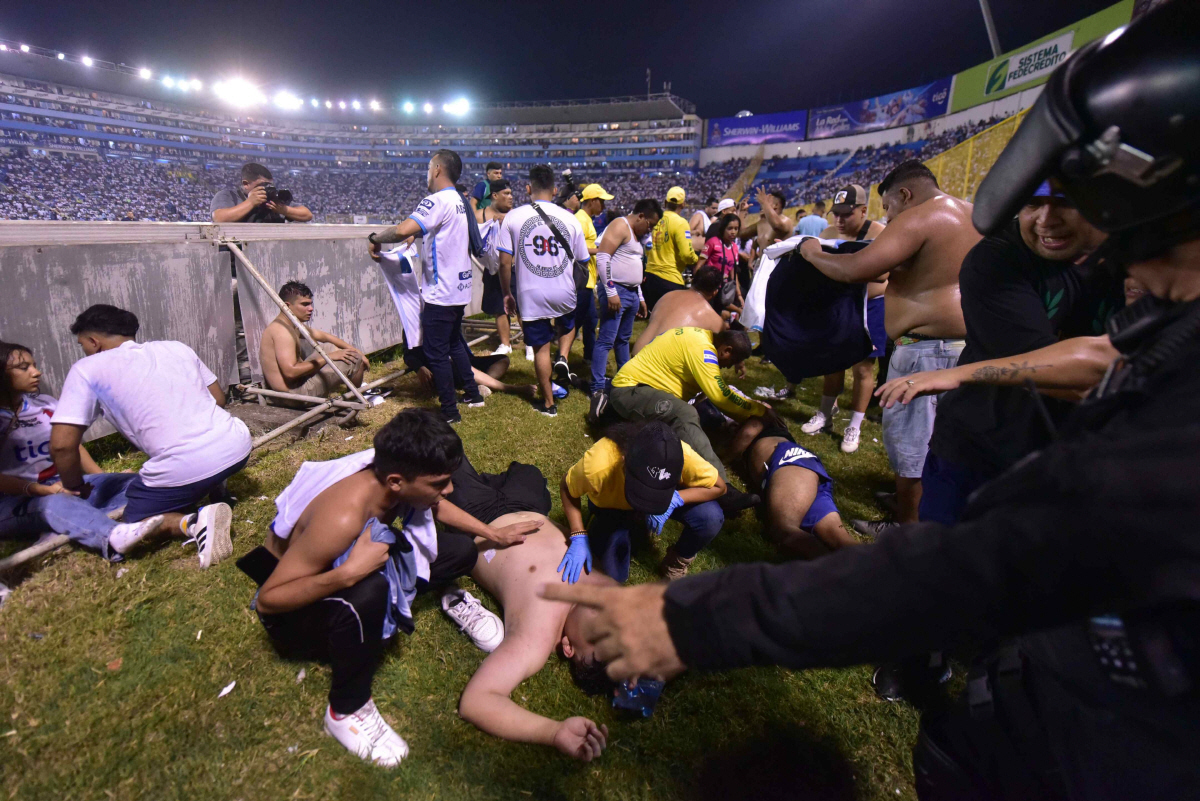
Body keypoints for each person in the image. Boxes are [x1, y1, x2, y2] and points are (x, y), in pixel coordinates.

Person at [542, 10, 1200, 798]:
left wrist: (693, 617)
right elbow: (1105, 369)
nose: (1058, 223)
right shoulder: (1139, 325)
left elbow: (978, 565)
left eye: (1078, 199)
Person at [244, 409, 541, 768]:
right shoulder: (343, 517)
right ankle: (345, 710)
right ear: (397, 483)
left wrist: (492, 533)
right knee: (370, 591)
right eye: (439, 483)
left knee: (462, 550)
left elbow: (437, 506)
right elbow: (269, 600)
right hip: (293, 614)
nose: (448, 490)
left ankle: (438, 597)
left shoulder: (393, 474)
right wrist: (347, 574)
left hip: (349, 564)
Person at [875, 179, 1119, 527]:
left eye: (1066, 201)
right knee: (945, 553)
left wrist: (960, 374)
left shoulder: (1146, 257)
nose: (1045, 219)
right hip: (982, 448)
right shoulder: (997, 256)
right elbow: (1063, 375)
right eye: (1032, 203)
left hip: (1080, 460)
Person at [798, 161, 979, 527]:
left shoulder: (920, 217)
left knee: (913, 447)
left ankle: (904, 529)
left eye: (889, 206)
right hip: (964, 347)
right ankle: (922, 510)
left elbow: (855, 270)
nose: (889, 216)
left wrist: (811, 252)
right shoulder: (972, 213)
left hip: (926, 350)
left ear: (905, 194)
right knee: (945, 442)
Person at [48, 305, 250, 568]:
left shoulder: (87, 369)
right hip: (237, 445)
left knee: (137, 521)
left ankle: (194, 523)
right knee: (193, 445)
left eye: (82, 344)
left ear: (93, 342)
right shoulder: (176, 348)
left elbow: (62, 446)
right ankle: (216, 486)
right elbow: (218, 399)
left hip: (187, 466)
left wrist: (74, 486)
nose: (83, 350)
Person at [0, 342, 183, 562]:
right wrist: (44, 491)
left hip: (59, 485)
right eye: (24, 367)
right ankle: (112, 535)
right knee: (53, 505)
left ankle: (70, 524)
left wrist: (103, 479)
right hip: (15, 500)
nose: (36, 372)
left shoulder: (45, 405)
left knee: (135, 483)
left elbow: (72, 446)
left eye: (34, 365)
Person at [457, 512, 611, 761]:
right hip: (531, 502)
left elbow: (476, 701)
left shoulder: (537, 635)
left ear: (568, 647)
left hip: (479, 517)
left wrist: (554, 732)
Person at [367, 149, 484, 425]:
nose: (427, 174)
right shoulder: (459, 200)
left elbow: (401, 230)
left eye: (429, 168)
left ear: (437, 170)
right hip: (459, 289)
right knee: (454, 343)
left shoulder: (436, 200)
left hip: (440, 292)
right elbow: (439, 231)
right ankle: (473, 394)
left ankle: (450, 411)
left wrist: (374, 238)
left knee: (436, 352)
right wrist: (417, 235)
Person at [607, 327, 769, 501]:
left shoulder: (700, 335)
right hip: (630, 391)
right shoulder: (703, 350)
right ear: (726, 350)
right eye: (732, 361)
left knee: (685, 418)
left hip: (642, 389)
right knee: (684, 413)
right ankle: (724, 489)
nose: (728, 366)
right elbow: (720, 396)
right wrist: (759, 410)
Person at [560, 421, 726, 582]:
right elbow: (566, 487)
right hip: (613, 507)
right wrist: (578, 533)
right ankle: (619, 527)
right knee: (613, 577)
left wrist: (676, 498)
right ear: (624, 461)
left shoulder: (679, 455)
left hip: (663, 497)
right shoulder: (599, 465)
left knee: (710, 517)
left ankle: (676, 562)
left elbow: (720, 487)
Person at [374, 240, 536, 401]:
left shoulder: (445, 313)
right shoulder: (414, 322)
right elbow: (408, 355)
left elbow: (456, 344)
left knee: (502, 359)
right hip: (442, 366)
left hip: (461, 361)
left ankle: (484, 384)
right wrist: (420, 368)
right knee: (464, 367)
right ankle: (509, 388)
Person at [801, 185, 889, 454]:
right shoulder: (827, 234)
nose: (839, 220)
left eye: (846, 214)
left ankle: (855, 425)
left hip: (871, 306)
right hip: (840, 306)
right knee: (833, 361)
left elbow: (886, 277)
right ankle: (825, 413)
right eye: (836, 213)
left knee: (863, 369)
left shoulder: (880, 234)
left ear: (863, 211)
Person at [497, 165, 590, 417]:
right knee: (568, 325)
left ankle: (549, 404)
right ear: (555, 190)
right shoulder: (571, 218)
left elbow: (504, 263)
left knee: (540, 348)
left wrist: (507, 293)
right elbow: (583, 259)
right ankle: (563, 356)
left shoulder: (513, 217)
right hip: (564, 291)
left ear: (528, 188)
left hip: (531, 293)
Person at [724, 415, 858, 558]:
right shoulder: (774, 427)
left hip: (790, 462)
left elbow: (750, 430)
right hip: (803, 466)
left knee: (784, 530)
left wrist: (724, 459)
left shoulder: (760, 416)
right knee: (839, 538)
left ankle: (832, 569)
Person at [586, 200, 661, 420]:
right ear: (640, 216)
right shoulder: (620, 225)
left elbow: (633, 265)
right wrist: (611, 291)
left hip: (631, 292)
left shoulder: (636, 235)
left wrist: (640, 297)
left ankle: (624, 381)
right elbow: (603, 257)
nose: (649, 229)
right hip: (617, 290)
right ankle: (597, 387)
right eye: (649, 224)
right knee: (606, 340)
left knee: (623, 340)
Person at [259, 281, 367, 404]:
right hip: (293, 396)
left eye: (310, 304)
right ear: (287, 306)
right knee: (355, 359)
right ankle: (354, 403)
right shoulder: (282, 332)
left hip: (292, 387)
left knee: (331, 347)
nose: (311, 308)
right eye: (305, 304)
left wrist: (357, 350)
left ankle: (352, 396)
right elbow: (290, 372)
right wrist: (329, 358)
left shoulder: (290, 324)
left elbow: (324, 336)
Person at [553, 183, 612, 384]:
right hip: (581, 280)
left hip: (587, 280)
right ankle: (561, 359)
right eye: (601, 201)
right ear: (593, 201)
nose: (604, 205)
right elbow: (576, 249)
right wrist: (603, 249)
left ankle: (586, 356)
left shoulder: (585, 219)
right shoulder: (580, 219)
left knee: (589, 320)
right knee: (575, 322)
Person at [632, 265, 726, 356]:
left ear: (692, 281)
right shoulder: (716, 321)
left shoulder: (667, 296)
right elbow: (716, 356)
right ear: (715, 292)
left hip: (635, 358)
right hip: (657, 364)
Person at [476, 179, 516, 356]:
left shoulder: (516, 216)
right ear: (495, 195)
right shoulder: (480, 216)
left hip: (514, 267)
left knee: (522, 307)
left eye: (511, 193)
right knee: (499, 309)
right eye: (506, 193)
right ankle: (505, 344)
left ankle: (530, 345)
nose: (510, 197)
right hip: (492, 268)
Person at [643, 186, 699, 309]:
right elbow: (686, 254)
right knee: (671, 318)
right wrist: (696, 259)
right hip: (670, 279)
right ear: (683, 204)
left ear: (665, 202)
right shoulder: (680, 222)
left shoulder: (655, 220)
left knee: (655, 317)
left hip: (650, 277)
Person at [210, 162, 313, 224]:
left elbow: (307, 215)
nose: (266, 188)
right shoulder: (229, 195)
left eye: (269, 185)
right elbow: (219, 218)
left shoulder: (271, 199)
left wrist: (283, 210)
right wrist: (250, 202)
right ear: (246, 184)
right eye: (262, 185)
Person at [697, 213, 744, 318]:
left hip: (723, 289)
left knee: (720, 317)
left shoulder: (735, 248)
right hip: (709, 288)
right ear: (723, 228)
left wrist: (739, 295)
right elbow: (699, 266)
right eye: (730, 228)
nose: (733, 232)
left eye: (736, 229)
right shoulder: (712, 242)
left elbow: (733, 274)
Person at [753, 188, 793, 254]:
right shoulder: (762, 223)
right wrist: (742, 212)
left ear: (776, 205)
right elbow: (742, 233)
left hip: (778, 260)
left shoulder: (786, 221)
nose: (763, 205)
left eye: (767, 201)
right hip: (763, 260)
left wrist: (764, 202)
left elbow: (776, 225)